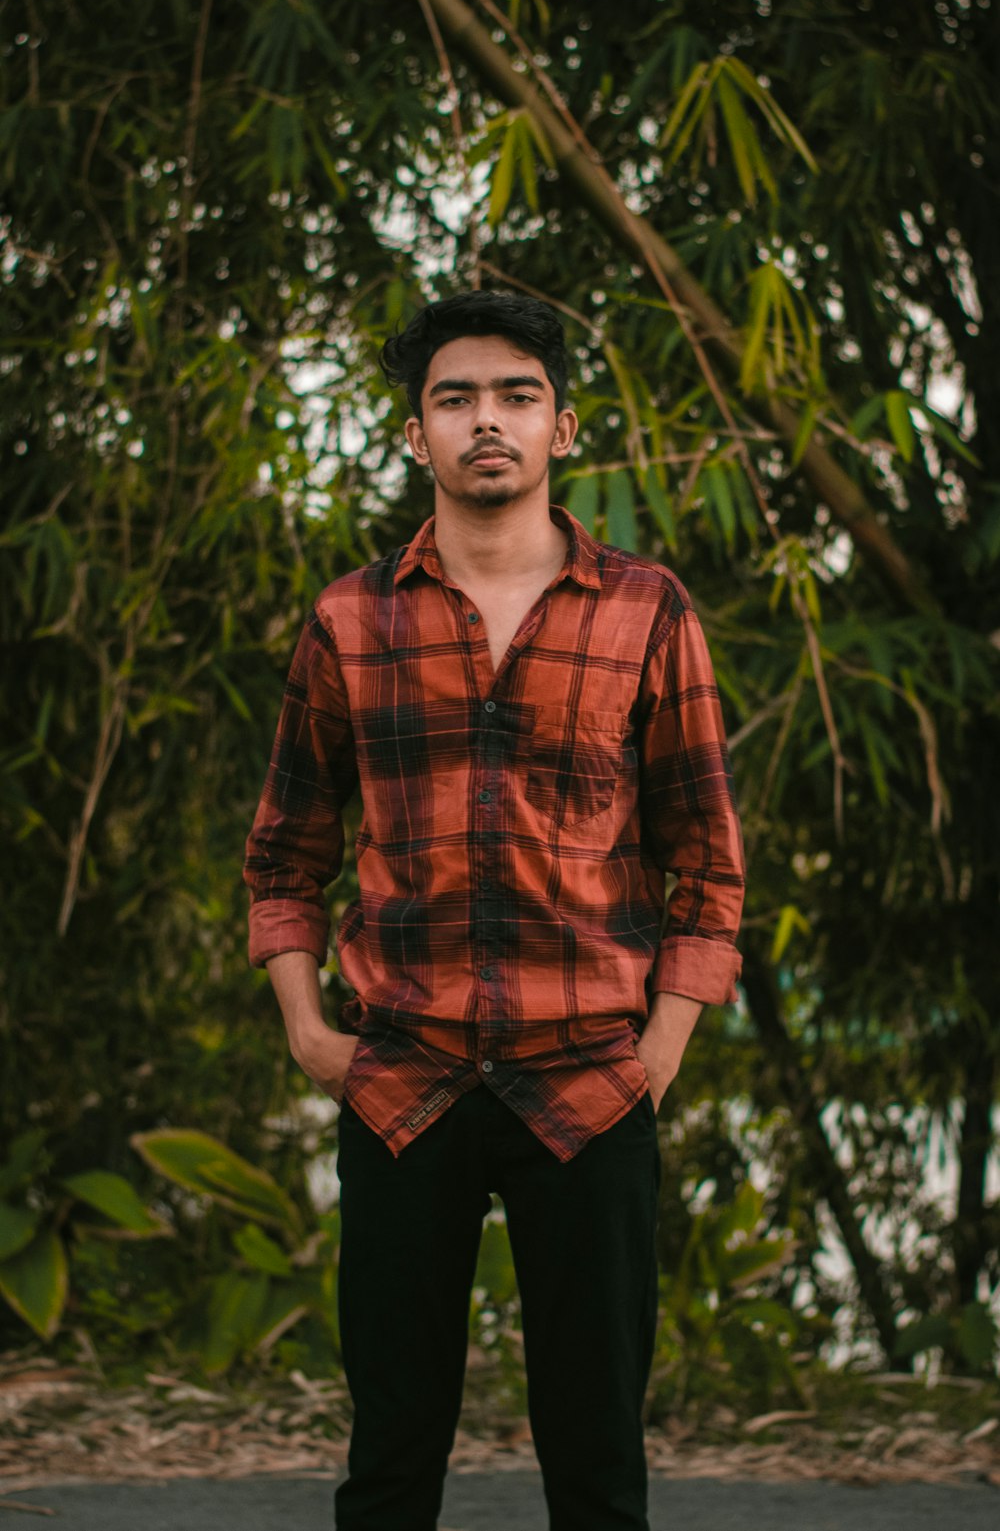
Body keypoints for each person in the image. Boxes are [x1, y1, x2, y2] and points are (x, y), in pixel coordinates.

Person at [243, 291, 745, 1531]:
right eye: (455, 397)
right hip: (401, 1078)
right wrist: (310, 1032)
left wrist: (659, 1055)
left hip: (591, 1079)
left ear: (563, 426)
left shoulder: (646, 609)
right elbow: (284, 853)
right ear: (417, 434)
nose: (488, 421)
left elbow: (707, 860)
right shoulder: (350, 620)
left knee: (597, 1465)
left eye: (517, 396)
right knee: (392, 1457)